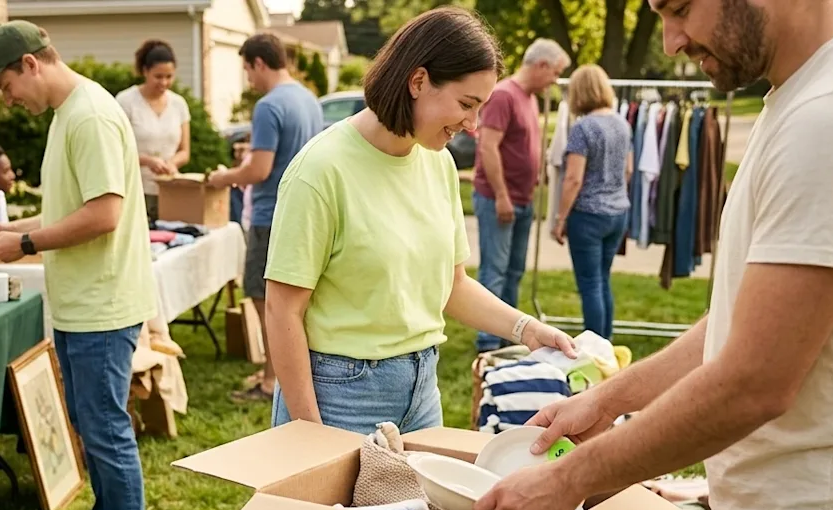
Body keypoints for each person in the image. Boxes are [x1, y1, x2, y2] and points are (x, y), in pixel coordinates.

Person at [474, 2, 833, 510]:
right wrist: (603, 401)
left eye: (678, 7)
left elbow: (755, 382)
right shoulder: (796, 99)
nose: (672, 41)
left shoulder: (829, 120)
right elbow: (732, 323)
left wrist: (569, 481)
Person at [264, 6, 576, 435]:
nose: (472, 125)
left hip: (422, 390)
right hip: (339, 397)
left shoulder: (438, 164)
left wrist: (527, 329)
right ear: (418, 81)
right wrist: (309, 431)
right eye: (466, 104)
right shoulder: (320, 171)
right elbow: (283, 308)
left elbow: (451, 284)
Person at [0, 20, 158, 510]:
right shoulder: (67, 115)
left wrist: (23, 246)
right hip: (83, 303)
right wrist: (16, 226)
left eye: (4, 86)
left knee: (105, 430)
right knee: (91, 424)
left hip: (103, 304)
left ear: (30, 63)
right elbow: (69, 209)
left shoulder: (91, 117)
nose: (8, 98)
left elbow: (104, 215)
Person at [205, 33, 323, 404]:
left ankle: (273, 380)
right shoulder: (308, 99)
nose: (248, 80)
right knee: (296, 301)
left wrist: (222, 177)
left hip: (271, 214)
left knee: (266, 301)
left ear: (259, 63)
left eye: (247, 70)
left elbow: (259, 169)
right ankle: (282, 373)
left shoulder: (269, 105)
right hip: (304, 212)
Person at [472, 38, 570, 353]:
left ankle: (509, 332)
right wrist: (501, 195)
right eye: (554, 73)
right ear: (540, 65)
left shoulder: (529, 98)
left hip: (522, 199)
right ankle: (487, 343)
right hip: (499, 199)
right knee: (495, 270)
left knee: (514, 271)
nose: (555, 80)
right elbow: (488, 146)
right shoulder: (504, 95)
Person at [552, 64, 633, 339]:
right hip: (618, 212)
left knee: (589, 284)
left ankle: (595, 346)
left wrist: (560, 218)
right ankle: (606, 341)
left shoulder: (583, 128)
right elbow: (629, 169)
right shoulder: (622, 124)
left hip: (588, 215)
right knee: (602, 279)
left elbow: (573, 178)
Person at [116, 40, 191, 223]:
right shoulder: (126, 102)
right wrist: (147, 161)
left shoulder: (178, 104)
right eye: (158, 76)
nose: (164, 82)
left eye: (169, 76)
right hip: (136, 191)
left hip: (169, 190)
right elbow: (116, 150)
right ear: (145, 71)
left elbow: (185, 151)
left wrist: (172, 163)